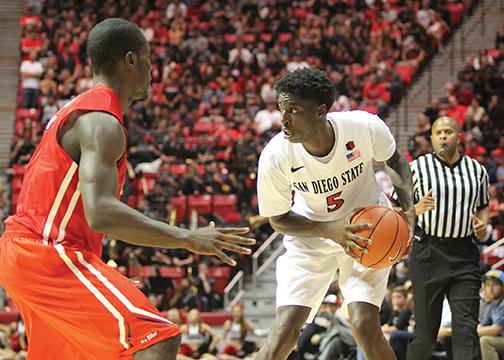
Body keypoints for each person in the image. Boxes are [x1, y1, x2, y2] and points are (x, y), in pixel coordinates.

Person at [0, 18, 254, 360]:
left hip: (32, 254)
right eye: (148, 58)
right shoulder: (101, 121)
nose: (153, 69)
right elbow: (102, 212)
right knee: (156, 338)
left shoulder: (80, 111)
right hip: (48, 253)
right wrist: (188, 238)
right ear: (132, 60)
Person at [256, 68, 415, 360]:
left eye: (293, 110)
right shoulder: (275, 156)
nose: (284, 120)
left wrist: (409, 212)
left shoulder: (364, 127)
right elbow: (278, 219)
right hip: (311, 235)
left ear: (320, 111)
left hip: (368, 232)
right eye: (282, 109)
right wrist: (330, 230)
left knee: (364, 323)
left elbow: (394, 160)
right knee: (284, 332)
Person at [395, 116, 490, 360]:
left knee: (466, 330)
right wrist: (415, 209)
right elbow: (395, 208)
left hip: (464, 254)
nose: (443, 136)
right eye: (438, 133)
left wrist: (483, 225)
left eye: (448, 131)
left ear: (459, 136)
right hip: (428, 252)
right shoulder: (417, 167)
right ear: (432, 138)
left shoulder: (477, 170)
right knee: (426, 336)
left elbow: (483, 206)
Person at [478, 270, 504, 360]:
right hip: (500, 339)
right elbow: (482, 325)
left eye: (495, 285)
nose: (490, 289)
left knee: (485, 341)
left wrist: (470, 333)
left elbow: (495, 330)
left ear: (503, 287)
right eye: (488, 285)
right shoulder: (492, 305)